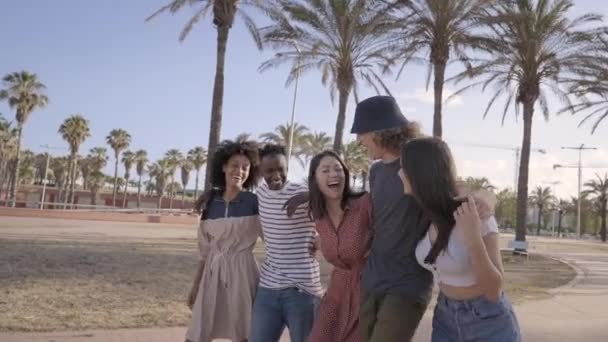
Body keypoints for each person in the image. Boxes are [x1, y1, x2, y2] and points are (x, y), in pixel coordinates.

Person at [399, 137, 521, 342]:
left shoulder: (473, 214)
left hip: (488, 321)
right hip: (445, 318)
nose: (399, 173)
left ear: (419, 173)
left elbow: (493, 290)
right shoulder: (426, 214)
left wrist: (473, 238)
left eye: (403, 168)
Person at [185, 139, 262, 342]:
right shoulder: (210, 203)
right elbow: (204, 250)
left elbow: (273, 239)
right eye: (234, 165)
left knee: (243, 330)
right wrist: (195, 286)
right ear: (223, 167)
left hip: (244, 273)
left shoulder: (254, 202)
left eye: (245, 167)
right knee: (200, 329)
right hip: (213, 273)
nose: (240, 171)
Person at [249, 144, 322, 342]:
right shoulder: (260, 196)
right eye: (269, 170)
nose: (276, 175)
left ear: (287, 167)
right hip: (268, 290)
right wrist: (210, 194)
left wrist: (312, 195)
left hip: (303, 291)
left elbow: (339, 202)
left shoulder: (303, 192)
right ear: (260, 171)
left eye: (281, 168)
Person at [306, 151, 373, 342]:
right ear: (315, 179)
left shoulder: (365, 204)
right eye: (325, 170)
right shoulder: (318, 215)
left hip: (368, 293)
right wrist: (318, 243)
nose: (334, 174)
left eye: (338, 169)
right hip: (335, 295)